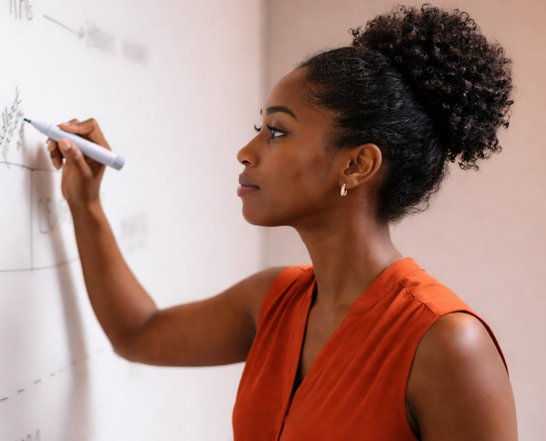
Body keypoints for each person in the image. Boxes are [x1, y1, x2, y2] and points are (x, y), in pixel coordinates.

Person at [46, 4, 517, 440]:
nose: (246, 152)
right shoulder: (273, 300)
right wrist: (86, 204)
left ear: (356, 166)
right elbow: (139, 333)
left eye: (277, 131)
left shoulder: (448, 343)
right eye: (259, 129)